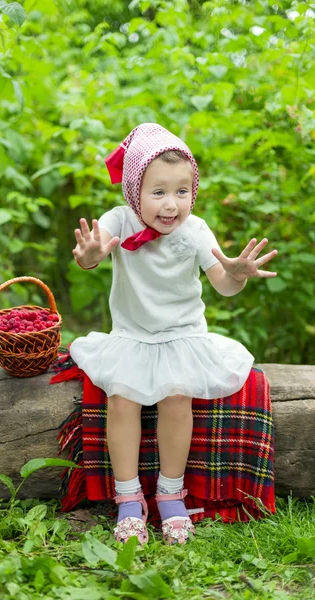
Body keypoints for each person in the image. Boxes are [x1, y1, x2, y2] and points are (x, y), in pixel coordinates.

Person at [70, 123, 278, 546]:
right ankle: (129, 499)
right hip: (132, 335)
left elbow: (222, 282)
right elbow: (96, 251)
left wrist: (236, 275)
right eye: (158, 192)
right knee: (122, 398)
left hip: (183, 335)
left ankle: (170, 494)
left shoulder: (195, 230)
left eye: (182, 192)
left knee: (176, 397)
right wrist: (89, 257)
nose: (171, 205)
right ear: (134, 191)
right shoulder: (119, 219)